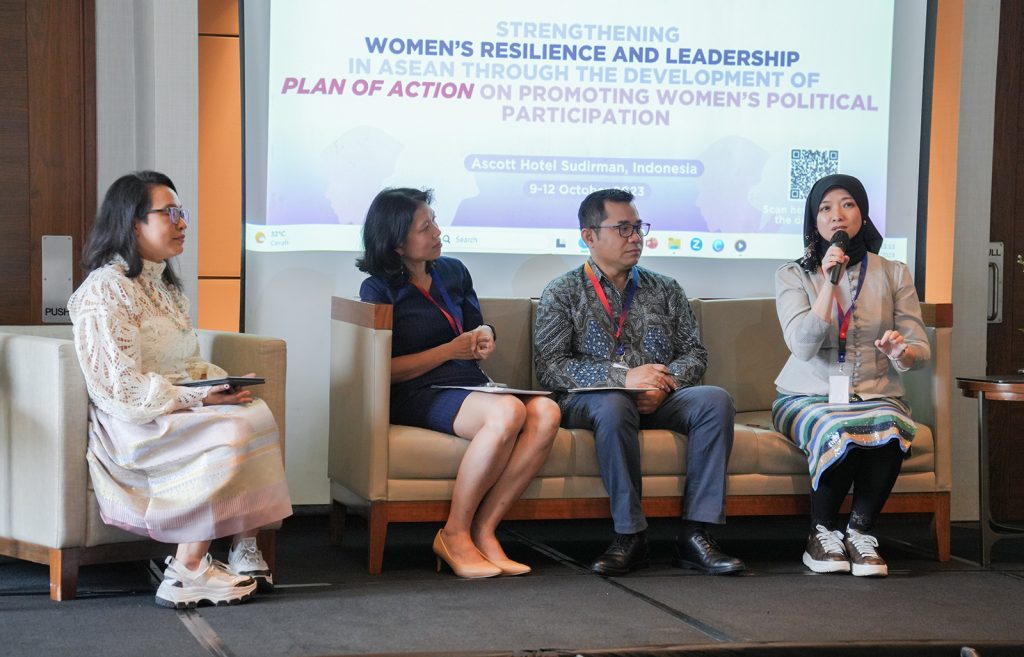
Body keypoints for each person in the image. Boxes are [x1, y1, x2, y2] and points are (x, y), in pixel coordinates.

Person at [68, 171, 292, 608]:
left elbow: (183, 360)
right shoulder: (104, 289)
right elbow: (118, 387)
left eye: (181, 212)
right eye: (169, 213)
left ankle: (244, 549)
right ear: (133, 223)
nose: (182, 222)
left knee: (253, 412)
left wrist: (217, 383)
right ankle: (186, 571)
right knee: (229, 431)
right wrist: (198, 397)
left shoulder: (164, 287)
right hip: (134, 423)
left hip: (172, 407)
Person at [535, 188, 745, 576]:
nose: (636, 237)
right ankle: (630, 536)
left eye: (638, 227)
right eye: (623, 228)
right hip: (595, 402)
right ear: (590, 236)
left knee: (715, 400)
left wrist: (664, 384)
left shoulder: (665, 288)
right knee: (613, 403)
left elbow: (694, 354)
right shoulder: (561, 292)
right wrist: (624, 379)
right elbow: (551, 367)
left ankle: (696, 535)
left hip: (659, 397)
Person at [357, 187, 560, 578]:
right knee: (507, 412)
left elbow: (475, 325)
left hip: (470, 383)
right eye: (424, 227)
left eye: (434, 222)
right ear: (397, 243)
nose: (437, 232)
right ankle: (454, 534)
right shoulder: (377, 290)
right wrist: (450, 350)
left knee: (548, 412)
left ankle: (485, 530)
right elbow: (383, 368)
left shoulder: (453, 270)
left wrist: (483, 334)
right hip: (416, 391)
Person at [772, 173, 930, 577]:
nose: (837, 216)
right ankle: (820, 534)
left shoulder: (893, 272)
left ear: (862, 213)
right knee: (834, 425)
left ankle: (860, 532)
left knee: (893, 423)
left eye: (847, 205)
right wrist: (828, 282)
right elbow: (803, 346)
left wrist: (901, 352)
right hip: (804, 396)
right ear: (814, 221)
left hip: (876, 392)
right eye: (825, 208)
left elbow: (920, 351)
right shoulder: (793, 275)